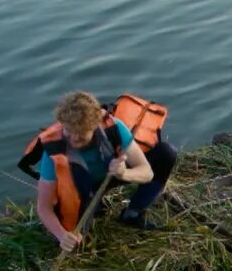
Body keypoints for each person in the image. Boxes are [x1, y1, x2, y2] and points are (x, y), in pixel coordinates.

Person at [31, 91, 177, 252]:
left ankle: (132, 214)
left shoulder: (113, 128)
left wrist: (124, 174)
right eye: (68, 130)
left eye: (80, 134)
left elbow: (147, 173)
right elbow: (44, 207)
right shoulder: (53, 151)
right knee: (75, 247)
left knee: (166, 154)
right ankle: (93, 206)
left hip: (113, 172)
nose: (73, 138)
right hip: (80, 188)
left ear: (95, 125)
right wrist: (61, 235)